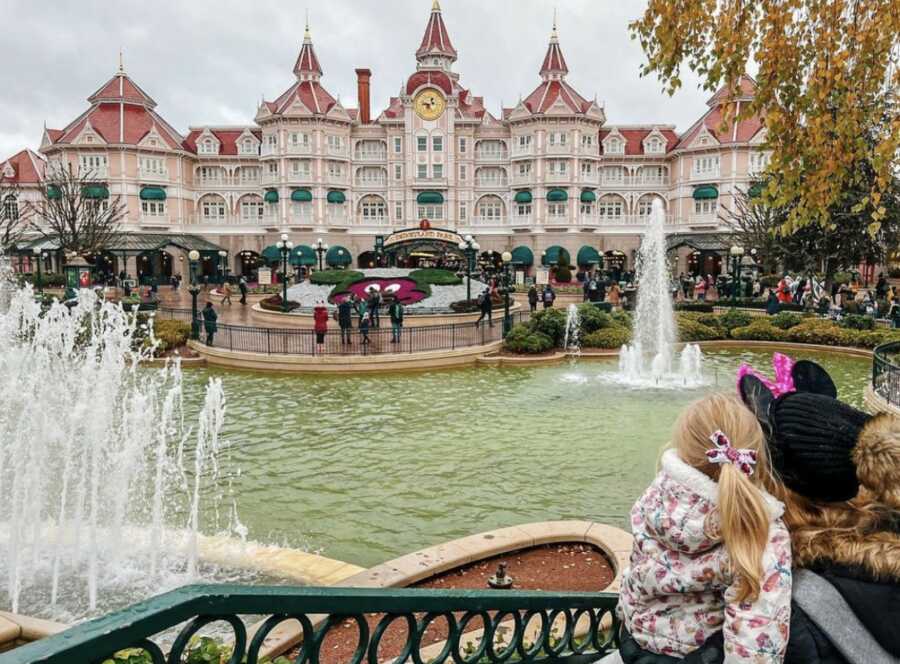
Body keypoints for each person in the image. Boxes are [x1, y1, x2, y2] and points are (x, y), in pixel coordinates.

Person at [617, 393, 791, 664]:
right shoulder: (760, 530)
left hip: (636, 642)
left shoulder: (653, 498)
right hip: (696, 656)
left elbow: (637, 570)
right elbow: (756, 644)